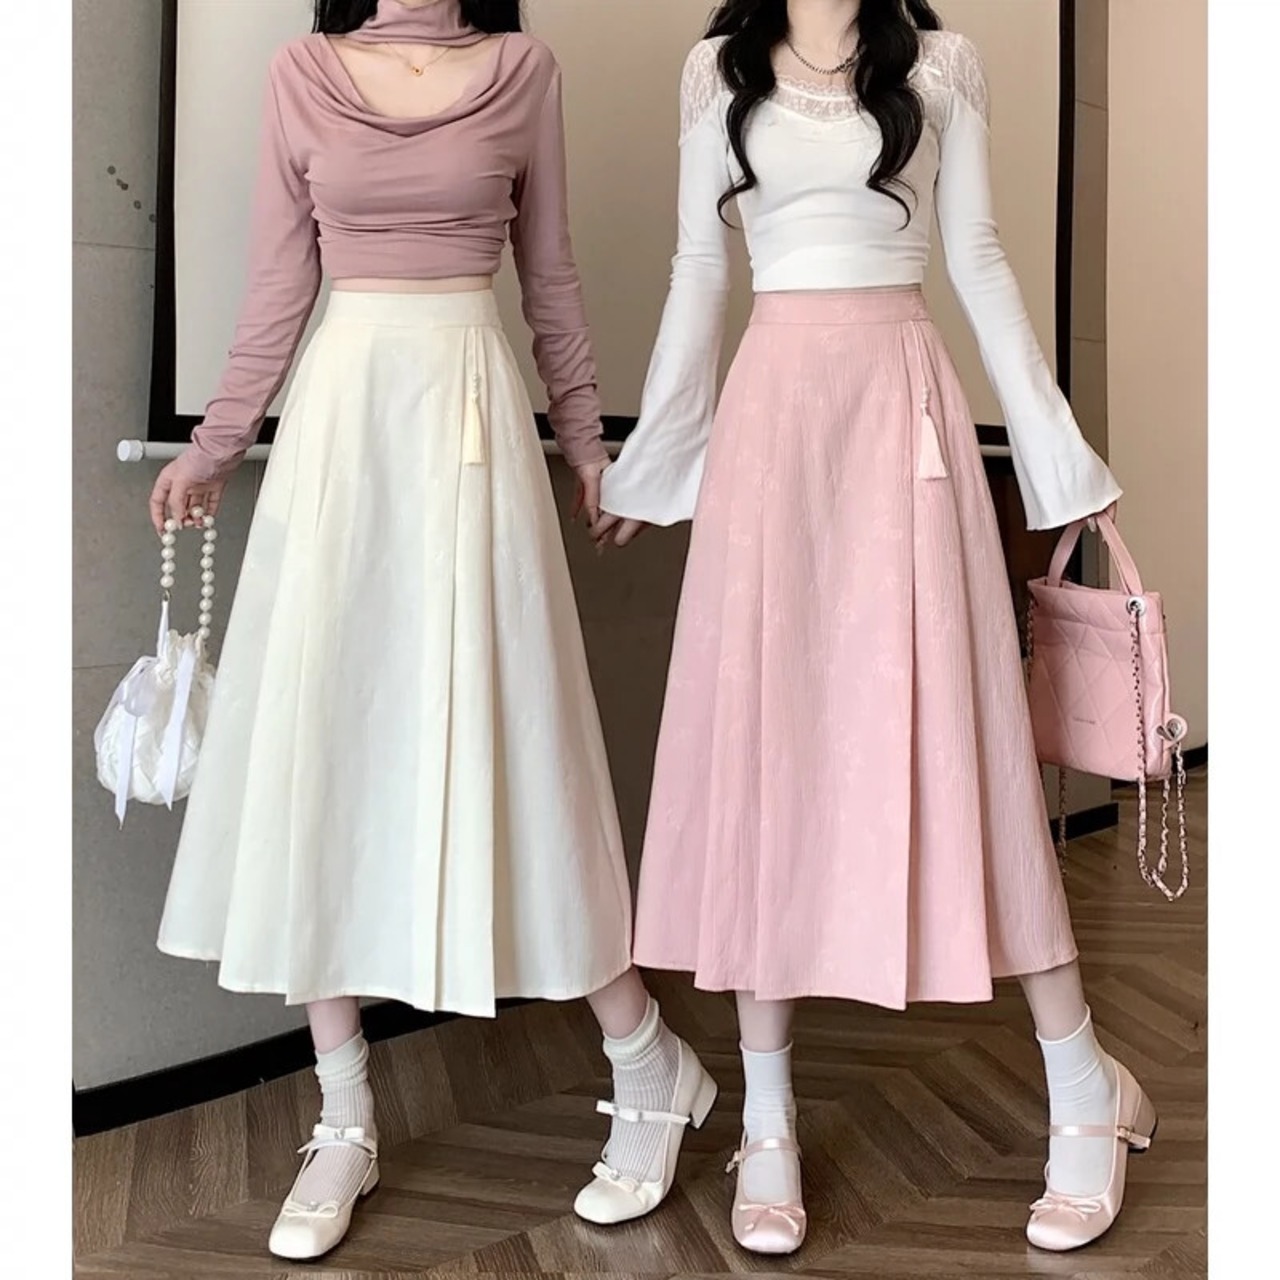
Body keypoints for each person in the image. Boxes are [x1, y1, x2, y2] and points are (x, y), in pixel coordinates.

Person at [150, 0, 715, 1260]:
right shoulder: (302, 72)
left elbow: (549, 273)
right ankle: (342, 1114)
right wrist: (217, 442)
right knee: (320, 749)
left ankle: (645, 1053)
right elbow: (279, 278)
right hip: (342, 421)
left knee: (521, 738)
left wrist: (586, 442)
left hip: (469, 410)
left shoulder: (523, 69)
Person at [593, 0, 1150, 1256]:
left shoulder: (940, 64)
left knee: (967, 745)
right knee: (765, 754)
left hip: (901, 414)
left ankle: (1084, 1086)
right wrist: (653, 458)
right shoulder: (714, 70)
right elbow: (697, 268)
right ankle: (766, 1119)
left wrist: (1059, 458)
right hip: (769, 421)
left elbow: (980, 260)